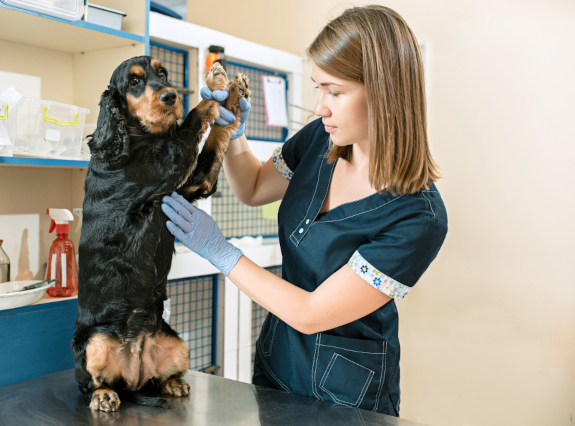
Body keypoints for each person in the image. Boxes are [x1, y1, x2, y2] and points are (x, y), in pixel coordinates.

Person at [161, 5, 448, 417]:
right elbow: (255, 187)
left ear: (384, 90)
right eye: (318, 88)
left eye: (334, 91)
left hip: (348, 396)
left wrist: (219, 251)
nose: (319, 107)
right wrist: (233, 135)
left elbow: (313, 315)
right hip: (278, 364)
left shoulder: (419, 218)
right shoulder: (321, 139)